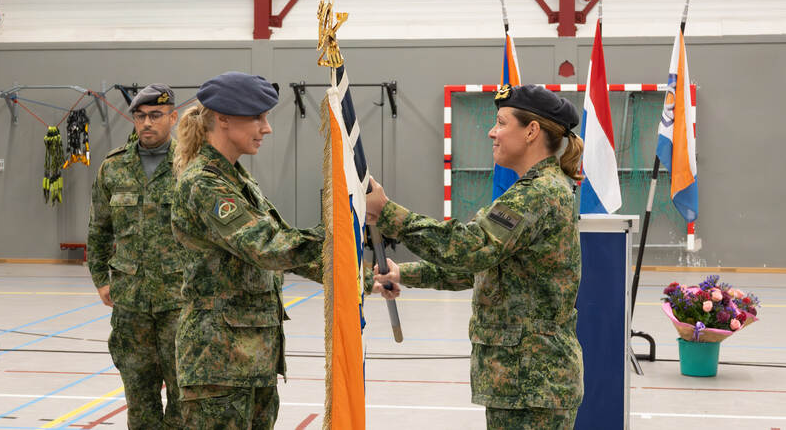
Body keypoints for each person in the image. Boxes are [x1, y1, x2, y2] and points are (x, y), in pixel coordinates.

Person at [367, 84, 585, 429]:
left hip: (531, 382)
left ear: (531, 131)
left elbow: (469, 248)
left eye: (501, 122)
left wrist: (390, 214)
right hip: (523, 380)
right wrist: (402, 274)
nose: (491, 132)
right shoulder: (534, 190)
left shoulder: (537, 194)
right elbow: (481, 268)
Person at [170, 71, 326, 429]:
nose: (266, 128)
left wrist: (356, 274)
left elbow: (280, 239)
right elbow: (267, 247)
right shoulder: (204, 183)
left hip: (250, 359)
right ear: (223, 119)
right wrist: (336, 233)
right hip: (219, 365)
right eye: (257, 117)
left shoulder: (236, 178)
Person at [87, 83, 184, 428]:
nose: (147, 123)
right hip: (131, 307)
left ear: (173, 118)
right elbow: (99, 230)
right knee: (139, 400)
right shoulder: (113, 168)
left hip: (180, 302)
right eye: (140, 116)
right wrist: (101, 281)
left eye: (156, 115)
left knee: (183, 398)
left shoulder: (190, 166)